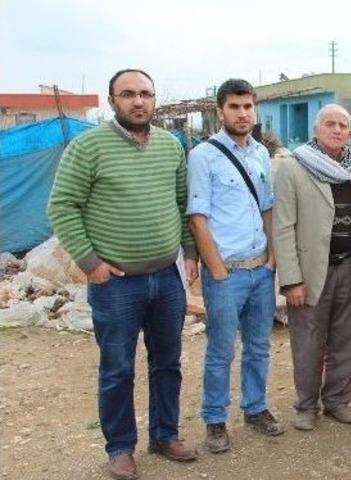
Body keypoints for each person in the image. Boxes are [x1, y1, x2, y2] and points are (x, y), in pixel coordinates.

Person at [47, 68, 199, 480]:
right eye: (128, 94)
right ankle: (120, 448)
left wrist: (189, 252)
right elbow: (62, 205)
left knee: (167, 362)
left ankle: (165, 435)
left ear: (155, 99)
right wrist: (89, 262)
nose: (138, 102)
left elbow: (183, 203)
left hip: (167, 278)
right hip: (115, 284)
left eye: (145, 94)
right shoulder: (87, 147)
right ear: (112, 100)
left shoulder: (170, 147)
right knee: (117, 368)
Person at [186, 78, 283, 454]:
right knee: (221, 350)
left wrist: (272, 256)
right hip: (226, 273)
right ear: (220, 111)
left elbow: (267, 207)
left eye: (248, 106)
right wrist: (217, 269)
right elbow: (197, 217)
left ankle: (255, 408)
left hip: (261, 269)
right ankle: (214, 420)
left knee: (259, 346)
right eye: (234, 107)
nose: (242, 114)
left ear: (255, 108)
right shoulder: (203, 156)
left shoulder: (260, 152)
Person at [273, 104, 351, 431]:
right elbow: (283, 227)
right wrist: (291, 280)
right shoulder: (293, 168)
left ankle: (338, 400)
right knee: (308, 341)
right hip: (312, 272)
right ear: (316, 129)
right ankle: (306, 405)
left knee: (345, 339)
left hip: (350, 267)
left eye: (343, 125)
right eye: (330, 124)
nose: (337, 130)